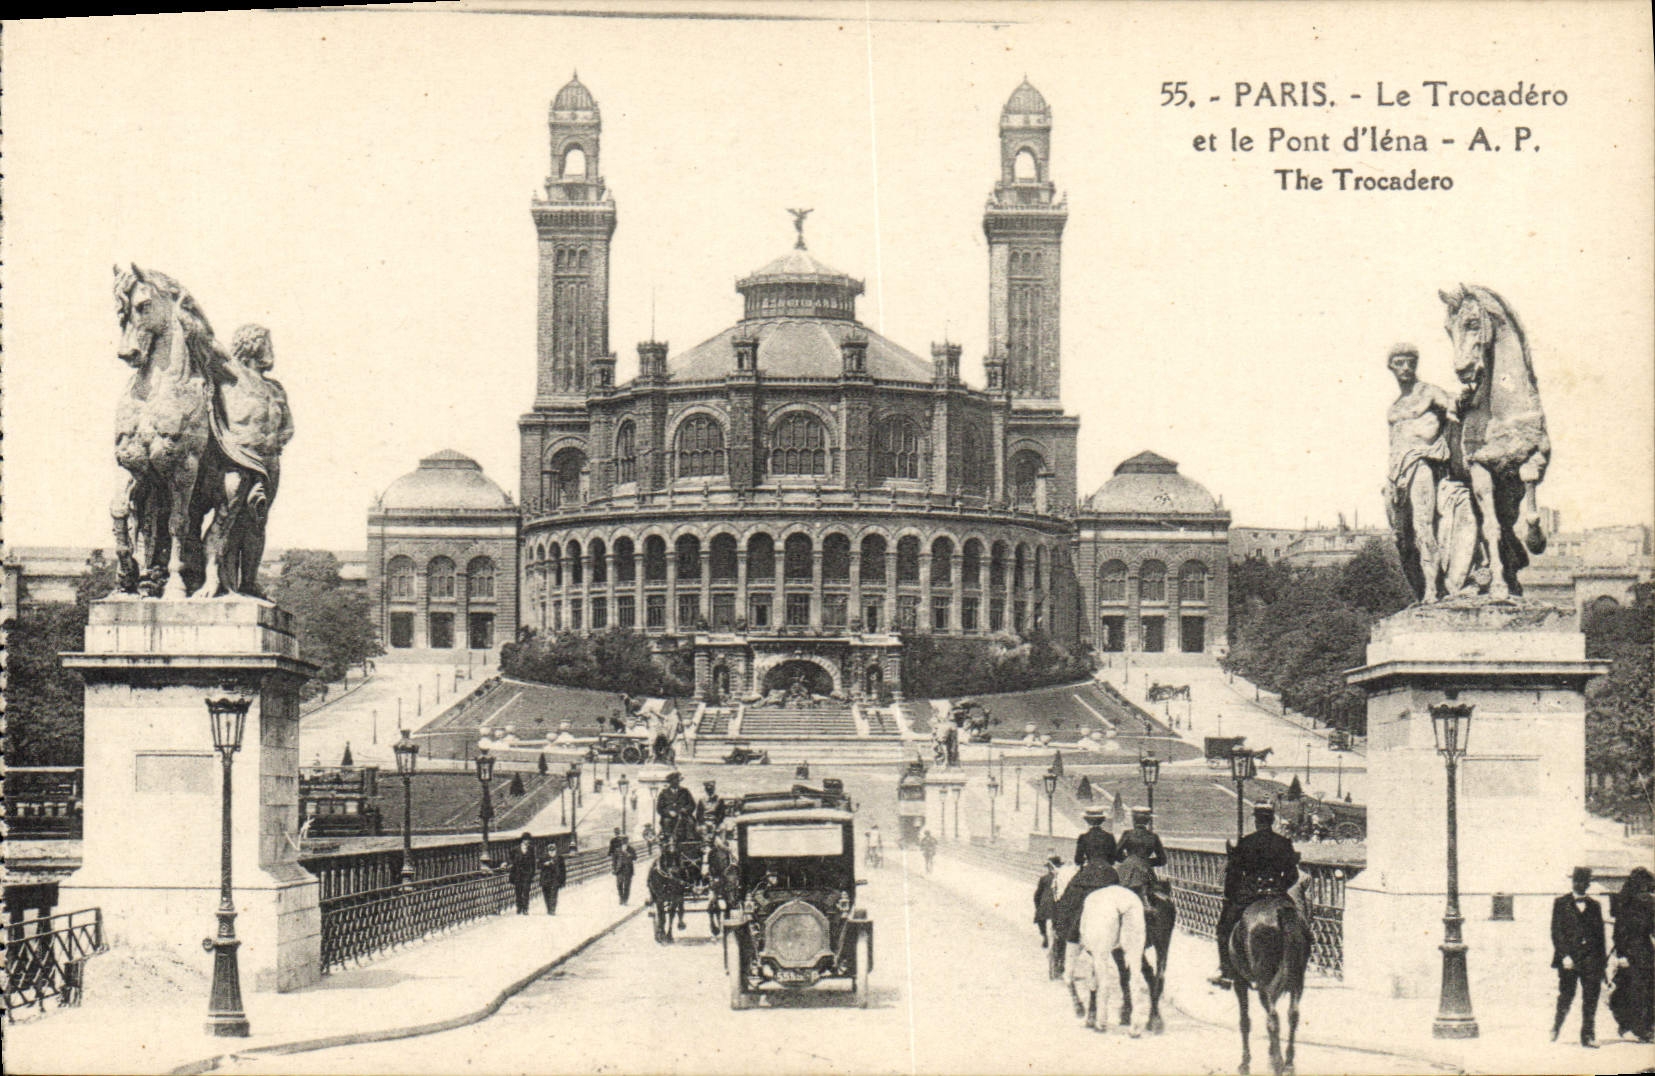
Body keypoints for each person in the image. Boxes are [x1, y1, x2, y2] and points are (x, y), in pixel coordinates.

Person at [1384, 343, 1474, 601]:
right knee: (1401, 535)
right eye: (1399, 362)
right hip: (1396, 470)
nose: (1405, 367)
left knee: (1423, 526)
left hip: (1422, 462)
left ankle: (1432, 591)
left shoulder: (1429, 393)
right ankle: (1420, 586)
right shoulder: (1394, 406)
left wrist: (1461, 402)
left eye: (1410, 361)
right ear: (1391, 366)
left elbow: (1453, 404)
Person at [1215, 803, 1301, 986]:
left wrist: (1231, 896)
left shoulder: (1246, 842)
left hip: (1250, 894)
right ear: (1271, 820)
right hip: (1277, 893)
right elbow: (1293, 875)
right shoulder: (1284, 843)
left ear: (1256, 821)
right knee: (1299, 923)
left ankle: (1226, 971)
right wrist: (1279, 887)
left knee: (1224, 927)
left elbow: (1235, 875)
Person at [1552, 866, 1608, 1047]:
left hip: (1591, 960)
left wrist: (1603, 964)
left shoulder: (1594, 906)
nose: (1581, 885)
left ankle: (1588, 1035)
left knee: (1591, 998)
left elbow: (1600, 936)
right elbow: (1556, 932)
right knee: (1566, 995)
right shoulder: (1561, 903)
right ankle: (1556, 1025)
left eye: (1585, 882)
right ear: (1573, 882)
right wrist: (1564, 956)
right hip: (1569, 960)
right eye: (1577, 881)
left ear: (1588, 884)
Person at [1609, 866, 1655, 1043]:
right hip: (1629, 953)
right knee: (1630, 991)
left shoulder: (1649, 905)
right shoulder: (1625, 905)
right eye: (1643, 888)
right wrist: (1621, 956)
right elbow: (1618, 933)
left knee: (1649, 990)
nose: (1646, 892)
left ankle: (1646, 1028)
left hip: (1646, 951)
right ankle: (1629, 1027)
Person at [1114, 806, 1168, 901]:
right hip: (1145, 870)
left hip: (1127, 869)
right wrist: (1146, 861)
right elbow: (1162, 860)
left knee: (1116, 891)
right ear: (1148, 821)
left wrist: (1128, 859)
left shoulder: (1127, 834)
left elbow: (1116, 854)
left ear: (1133, 820)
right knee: (1155, 892)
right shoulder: (1153, 836)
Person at [656, 770, 697, 842]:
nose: (677, 782)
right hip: (669, 817)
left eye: (678, 780)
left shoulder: (685, 791)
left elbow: (692, 804)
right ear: (670, 781)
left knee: (690, 822)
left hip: (683, 815)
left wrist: (686, 809)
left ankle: (690, 840)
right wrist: (669, 813)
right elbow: (659, 808)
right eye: (675, 780)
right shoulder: (664, 793)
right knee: (666, 822)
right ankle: (668, 840)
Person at [1034, 855, 1063, 949]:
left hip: (1045, 905)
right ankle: (1057, 938)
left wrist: (1038, 906)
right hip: (1058, 905)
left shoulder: (1044, 878)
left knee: (1040, 917)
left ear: (1050, 867)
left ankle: (1045, 936)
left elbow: (1037, 895)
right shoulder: (1063, 878)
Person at [507, 833, 537, 915]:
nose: (528, 842)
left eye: (528, 840)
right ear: (523, 841)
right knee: (518, 892)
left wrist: (533, 873)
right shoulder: (515, 849)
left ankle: (525, 909)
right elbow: (510, 859)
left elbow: (533, 862)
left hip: (527, 874)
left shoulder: (531, 849)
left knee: (526, 891)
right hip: (517, 874)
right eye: (526, 840)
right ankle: (519, 907)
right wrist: (509, 864)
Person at [610, 828, 637, 905]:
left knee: (627, 886)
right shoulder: (617, 850)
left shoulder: (631, 849)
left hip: (628, 869)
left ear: (627, 841)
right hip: (619, 870)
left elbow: (635, 858)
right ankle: (621, 898)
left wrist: (630, 855)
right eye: (622, 840)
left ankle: (625, 900)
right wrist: (613, 868)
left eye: (625, 840)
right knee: (619, 885)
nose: (623, 841)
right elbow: (614, 860)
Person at [540, 841, 567, 914]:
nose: (551, 852)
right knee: (546, 895)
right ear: (548, 851)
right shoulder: (544, 858)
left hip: (555, 880)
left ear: (555, 850)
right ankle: (549, 908)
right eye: (550, 851)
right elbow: (538, 866)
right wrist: (544, 864)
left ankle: (552, 910)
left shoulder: (560, 858)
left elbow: (563, 870)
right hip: (545, 880)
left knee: (553, 895)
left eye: (553, 850)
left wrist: (563, 881)